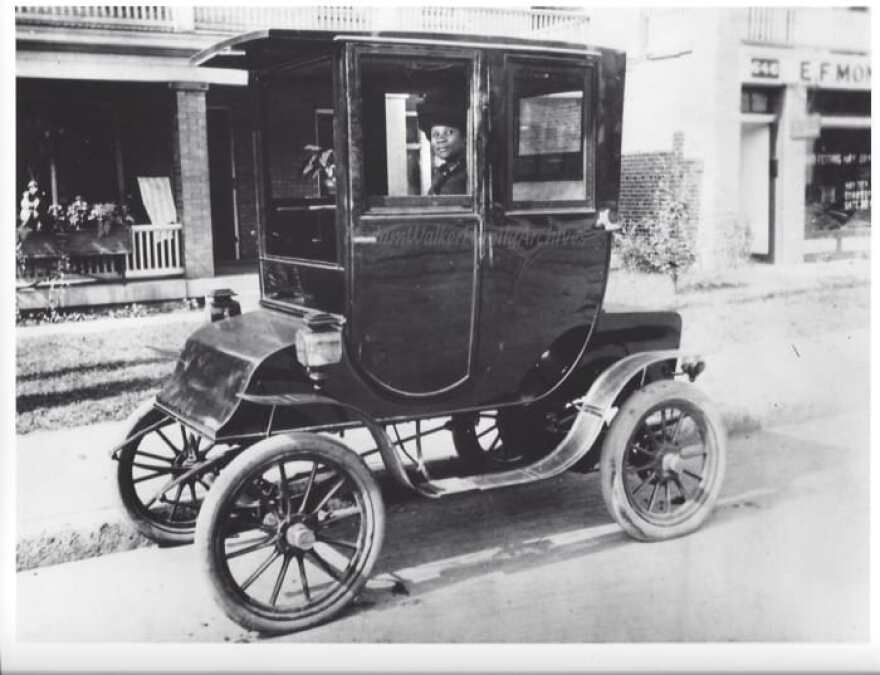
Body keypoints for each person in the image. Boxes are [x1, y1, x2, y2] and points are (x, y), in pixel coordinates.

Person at [417, 95, 467, 195]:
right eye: (435, 134)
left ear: (465, 136)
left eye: (449, 132)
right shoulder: (442, 172)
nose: (441, 139)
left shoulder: (468, 173)